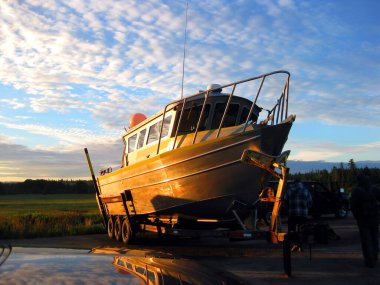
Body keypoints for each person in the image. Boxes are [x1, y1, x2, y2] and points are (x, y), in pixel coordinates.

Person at [350, 170, 380, 268]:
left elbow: (353, 207)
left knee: (366, 240)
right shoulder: (374, 189)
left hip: (363, 219)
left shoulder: (356, 191)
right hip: (374, 217)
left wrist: (357, 217)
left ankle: (369, 260)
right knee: (374, 237)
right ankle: (374, 256)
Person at [284, 179, 312, 251]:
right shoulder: (305, 190)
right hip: (303, 214)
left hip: (292, 213)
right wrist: (306, 208)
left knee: (291, 230)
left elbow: (285, 202)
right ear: (301, 183)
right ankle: (300, 245)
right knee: (302, 230)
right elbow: (310, 202)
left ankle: (293, 244)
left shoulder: (289, 190)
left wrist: (288, 208)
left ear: (293, 183)